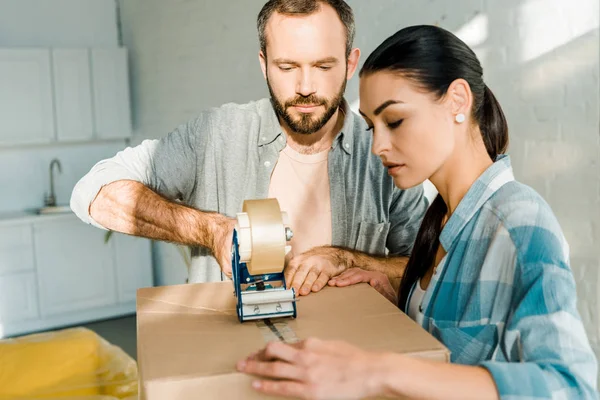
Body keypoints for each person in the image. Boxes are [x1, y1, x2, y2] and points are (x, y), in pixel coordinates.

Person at [236, 25, 599, 399]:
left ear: (457, 100)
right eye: (373, 127)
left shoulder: (517, 222)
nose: (377, 146)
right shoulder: (440, 218)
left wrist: (377, 370)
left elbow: (573, 386)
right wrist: (401, 300)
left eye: (394, 121)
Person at [69, 0, 427, 293]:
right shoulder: (215, 134)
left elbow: (425, 265)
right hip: (235, 359)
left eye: (323, 65)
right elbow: (93, 194)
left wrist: (348, 260)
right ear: (264, 64)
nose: (305, 86)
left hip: (345, 361)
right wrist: (212, 230)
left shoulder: (382, 152)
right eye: (287, 67)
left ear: (350, 64)